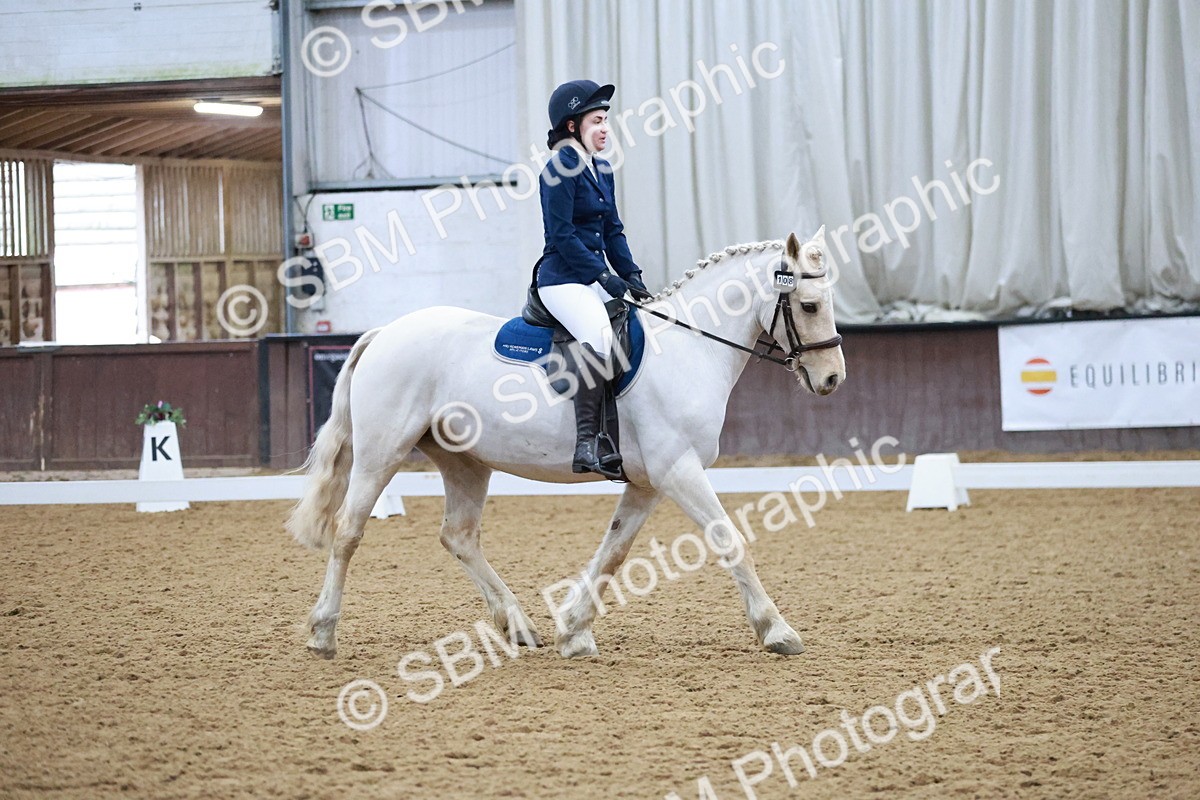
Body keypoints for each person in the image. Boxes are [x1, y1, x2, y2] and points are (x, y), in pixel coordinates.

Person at [537, 79, 652, 479]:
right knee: (598, 334)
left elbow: (613, 230)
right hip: (562, 279)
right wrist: (603, 276)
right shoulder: (559, 168)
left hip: (590, 278)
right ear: (572, 126)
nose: (605, 128)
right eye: (597, 121)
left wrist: (632, 276)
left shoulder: (600, 168)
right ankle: (588, 442)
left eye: (606, 121)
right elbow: (561, 235)